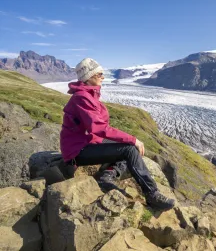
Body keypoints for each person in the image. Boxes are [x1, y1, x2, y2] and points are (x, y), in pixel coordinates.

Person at [60, 58, 175, 210]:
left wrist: (130, 140)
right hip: (77, 151)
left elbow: (98, 129)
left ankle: (107, 175)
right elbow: (99, 128)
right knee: (129, 148)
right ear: (89, 76)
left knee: (127, 146)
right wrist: (133, 139)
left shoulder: (89, 95)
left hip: (87, 143)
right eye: (99, 74)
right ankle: (152, 194)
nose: (103, 77)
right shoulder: (82, 97)